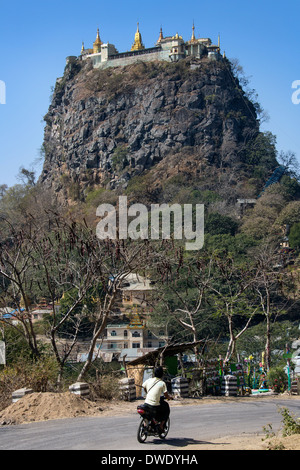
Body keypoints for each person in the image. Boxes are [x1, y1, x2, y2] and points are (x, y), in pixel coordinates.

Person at [142, 366, 172, 431]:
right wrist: (169, 397)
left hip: (146, 403)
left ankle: (146, 424)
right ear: (162, 374)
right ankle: (161, 425)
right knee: (166, 408)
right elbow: (166, 394)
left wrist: (147, 392)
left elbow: (144, 386)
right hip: (154, 405)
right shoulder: (162, 383)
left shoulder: (149, 380)